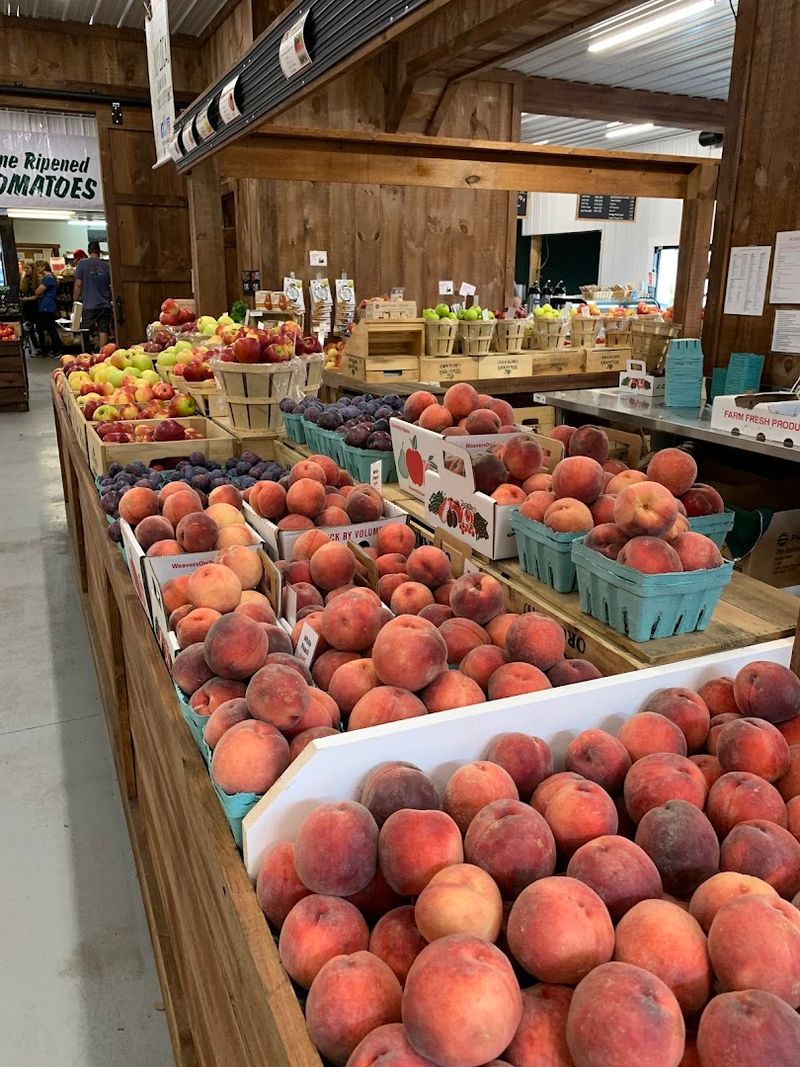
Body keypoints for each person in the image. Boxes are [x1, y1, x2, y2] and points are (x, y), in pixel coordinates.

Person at [74, 240, 113, 350]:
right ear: (99, 252)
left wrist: (75, 299)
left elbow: (78, 284)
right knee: (103, 330)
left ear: (89, 251)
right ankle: (103, 355)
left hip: (89, 304)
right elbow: (111, 285)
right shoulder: (106, 266)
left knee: (85, 331)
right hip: (105, 304)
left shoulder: (82, 264)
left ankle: (85, 354)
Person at [34, 261, 62, 358]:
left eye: (39, 266)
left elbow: (38, 292)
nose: (37, 269)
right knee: (47, 328)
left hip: (47, 306)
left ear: (44, 267)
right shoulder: (49, 278)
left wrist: (38, 293)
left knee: (51, 329)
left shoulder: (47, 278)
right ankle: (53, 349)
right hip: (46, 306)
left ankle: (57, 350)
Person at [19, 261, 41, 353]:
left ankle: (42, 345)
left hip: (36, 305)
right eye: (25, 268)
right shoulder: (24, 279)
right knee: (29, 326)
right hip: (26, 306)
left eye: (28, 268)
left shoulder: (38, 279)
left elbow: (38, 295)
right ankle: (36, 346)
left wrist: (26, 299)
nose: (26, 270)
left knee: (40, 326)